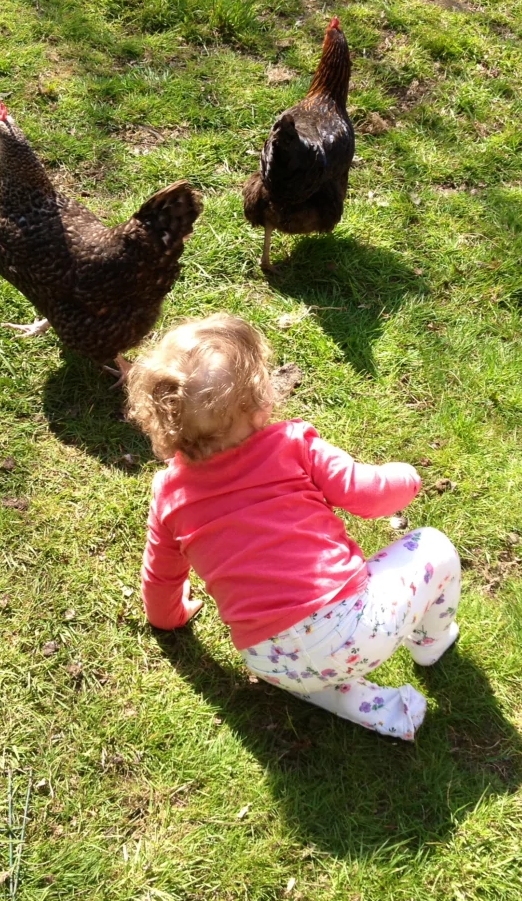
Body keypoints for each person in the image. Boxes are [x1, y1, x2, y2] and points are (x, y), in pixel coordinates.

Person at [127, 314, 461, 741]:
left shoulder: (169, 495)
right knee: (433, 546)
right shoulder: (292, 445)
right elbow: (367, 494)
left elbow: (160, 577)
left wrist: (169, 618)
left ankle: (361, 702)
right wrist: (407, 478)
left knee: (311, 664)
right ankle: (431, 643)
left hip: (269, 658)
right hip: (357, 629)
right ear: (259, 402)